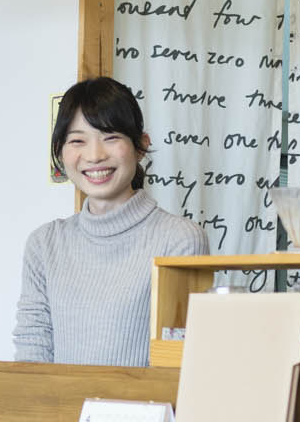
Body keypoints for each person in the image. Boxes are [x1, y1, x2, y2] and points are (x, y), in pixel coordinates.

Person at [13, 77, 208, 365]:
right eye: (77, 140)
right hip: (59, 410)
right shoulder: (44, 244)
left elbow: (179, 361)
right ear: (60, 152)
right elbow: (33, 350)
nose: (94, 156)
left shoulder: (180, 239)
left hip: (146, 409)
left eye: (111, 137)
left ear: (141, 147)